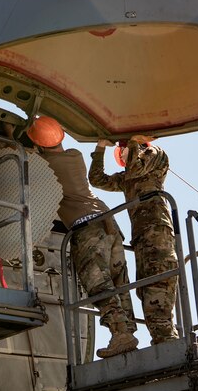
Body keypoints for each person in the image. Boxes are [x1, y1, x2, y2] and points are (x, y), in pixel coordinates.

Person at [27, 116, 138, 358]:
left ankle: (120, 334)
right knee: (120, 281)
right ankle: (128, 331)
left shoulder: (43, 166)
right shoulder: (75, 156)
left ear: (39, 145)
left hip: (86, 228)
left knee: (98, 283)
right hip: (108, 222)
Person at [89, 137, 179, 345]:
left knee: (159, 282)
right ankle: (161, 339)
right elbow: (97, 179)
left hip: (158, 232)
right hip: (141, 237)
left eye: (121, 151)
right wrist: (100, 148)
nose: (120, 154)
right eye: (119, 152)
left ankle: (166, 338)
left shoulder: (155, 155)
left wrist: (132, 142)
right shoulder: (128, 177)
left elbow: (137, 168)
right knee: (146, 288)